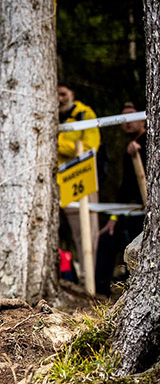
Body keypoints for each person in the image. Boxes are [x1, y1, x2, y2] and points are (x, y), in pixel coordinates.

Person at [94, 102, 146, 297]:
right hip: (129, 213)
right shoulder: (129, 149)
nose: (127, 123)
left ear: (143, 119)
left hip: (146, 214)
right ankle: (99, 295)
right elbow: (124, 189)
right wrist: (113, 219)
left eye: (131, 118)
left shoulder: (150, 142)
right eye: (123, 119)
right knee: (106, 239)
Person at [57, 82, 101, 276]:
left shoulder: (85, 114)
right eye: (56, 95)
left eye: (63, 94)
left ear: (72, 94)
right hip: (52, 181)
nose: (59, 99)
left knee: (85, 232)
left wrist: (57, 143)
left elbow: (90, 146)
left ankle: (89, 277)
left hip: (78, 177)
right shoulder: (49, 115)